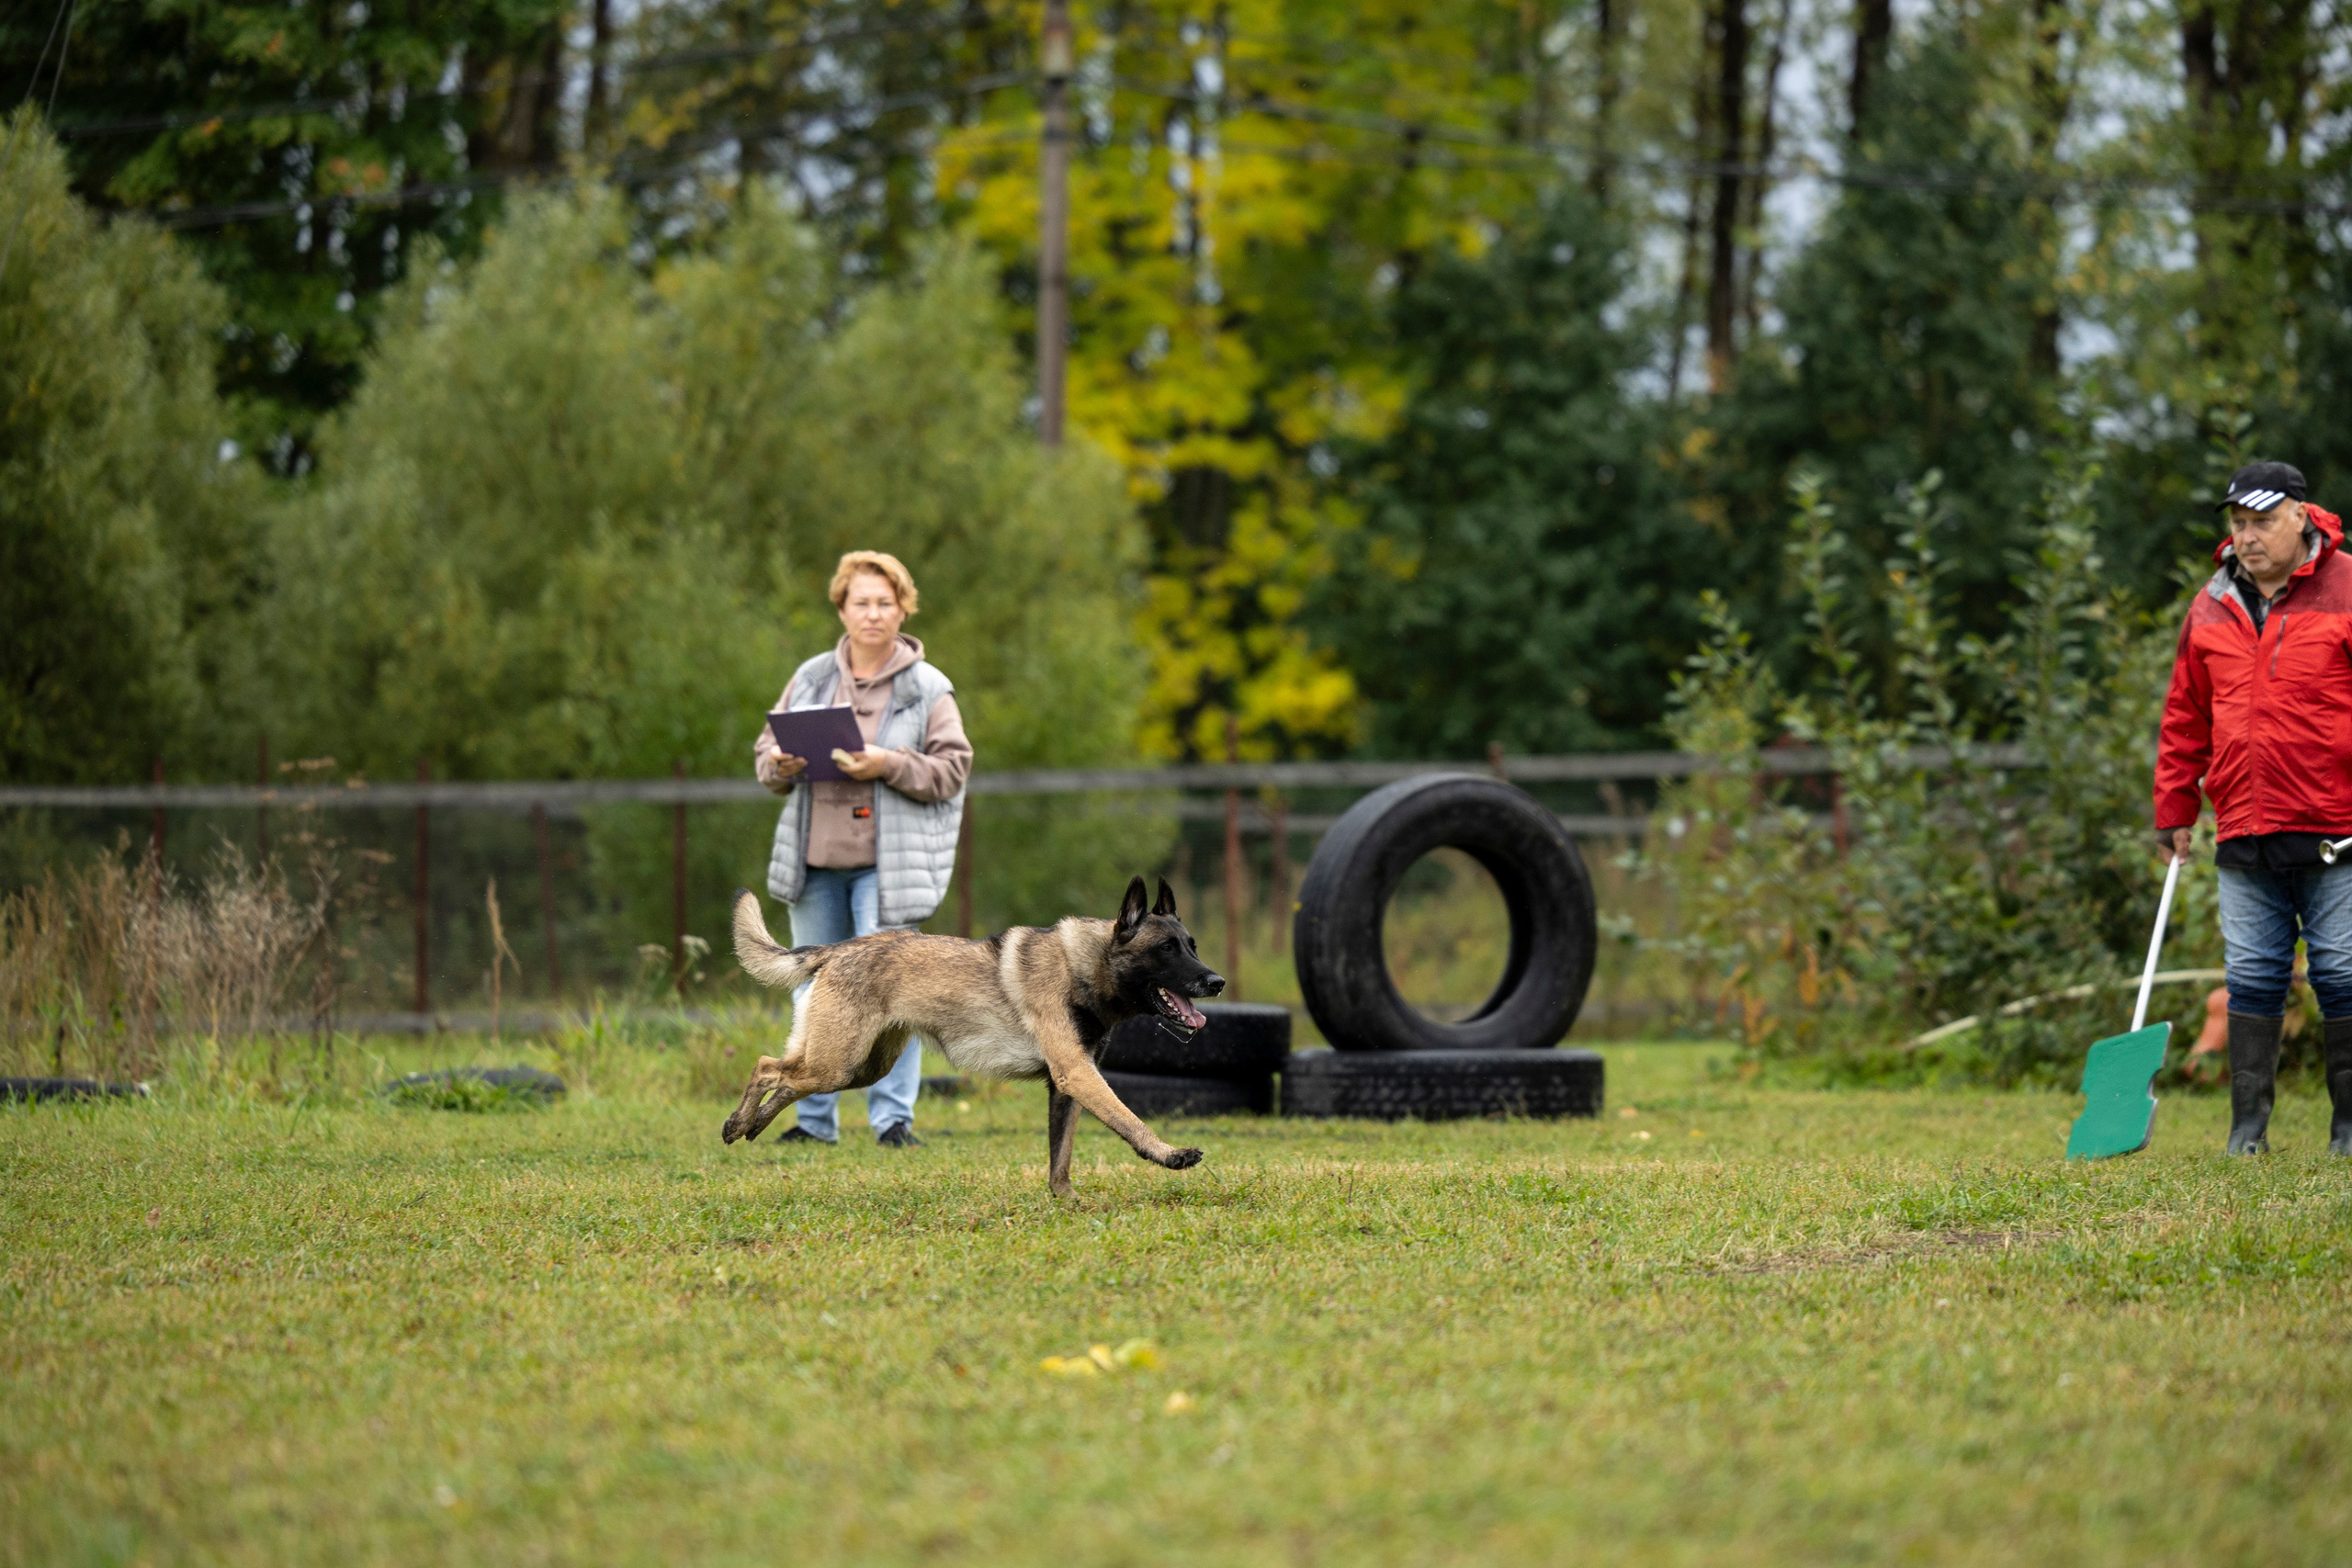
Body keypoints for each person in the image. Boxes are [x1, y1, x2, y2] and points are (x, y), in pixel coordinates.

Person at [2154, 460, 2352, 1155]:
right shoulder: (2210, 604)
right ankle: (2247, 1133)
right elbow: (2185, 715)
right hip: (2242, 826)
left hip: (2337, 827)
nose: (2248, 535)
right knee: (2254, 977)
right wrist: (2175, 807)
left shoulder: (2348, 587)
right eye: (2238, 522)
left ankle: (2349, 1129)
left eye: (2262, 520)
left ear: (2302, 514)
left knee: (2342, 971)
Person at [752, 550, 971, 1147]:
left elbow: (953, 768)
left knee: (899, 994)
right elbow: (764, 757)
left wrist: (889, 763)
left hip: (889, 868)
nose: (873, 613)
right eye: (860, 602)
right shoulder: (811, 676)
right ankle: (813, 1121)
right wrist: (780, 763)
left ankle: (892, 1121)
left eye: (885, 602)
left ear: (904, 608)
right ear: (842, 608)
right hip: (817, 862)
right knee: (811, 988)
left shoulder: (928, 687)